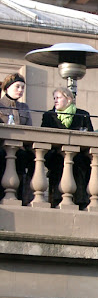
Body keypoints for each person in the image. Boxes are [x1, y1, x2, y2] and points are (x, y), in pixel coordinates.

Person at [41, 87, 94, 208]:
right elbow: (43, 136)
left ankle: (81, 200)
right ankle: (57, 198)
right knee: (60, 162)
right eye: (54, 98)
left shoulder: (83, 115)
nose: (55, 101)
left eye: (58, 98)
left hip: (79, 154)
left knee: (80, 162)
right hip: (56, 154)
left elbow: (91, 136)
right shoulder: (49, 116)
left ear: (69, 99)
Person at [0, 73, 34, 204]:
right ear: (7, 87)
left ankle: (24, 198)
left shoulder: (24, 107)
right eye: (17, 86)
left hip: (20, 150)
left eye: (23, 88)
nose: (20, 90)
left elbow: (30, 130)